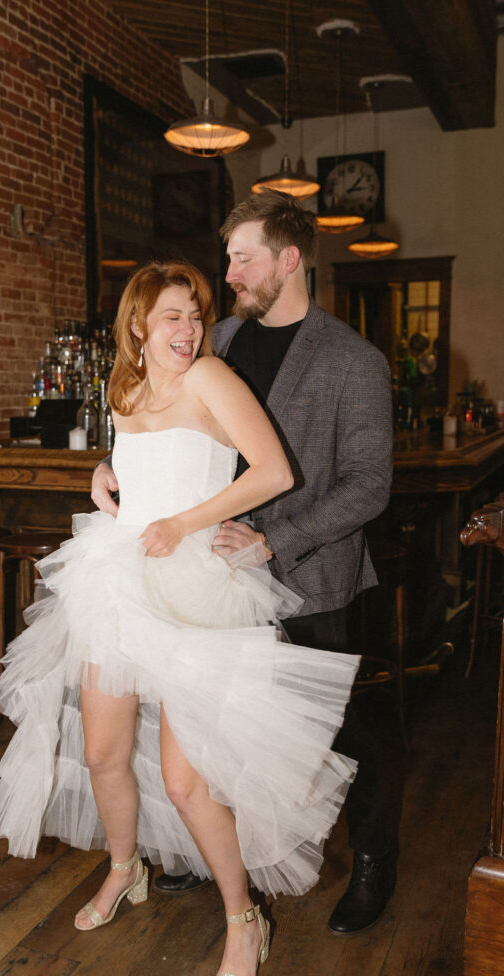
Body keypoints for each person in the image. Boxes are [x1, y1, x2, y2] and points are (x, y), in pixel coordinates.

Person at [0, 260, 360, 976]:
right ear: (138, 327)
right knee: (101, 751)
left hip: (195, 587)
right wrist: (101, 469)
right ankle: (126, 871)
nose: (188, 330)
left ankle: (243, 918)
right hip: (117, 577)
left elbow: (274, 470)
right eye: (173, 317)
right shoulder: (124, 388)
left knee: (186, 782)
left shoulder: (212, 378)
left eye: (195, 314)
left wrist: (185, 522)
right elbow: (144, 460)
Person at [91, 192, 395, 936]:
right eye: (227, 258)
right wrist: (107, 466)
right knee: (202, 726)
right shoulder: (218, 337)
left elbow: (369, 484)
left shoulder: (352, 360)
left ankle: (370, 861)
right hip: (205, 574)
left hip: (307, 573)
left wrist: (273, 541)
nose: (227, 274)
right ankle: (211, 855)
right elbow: (171, 427)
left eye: (242, 258)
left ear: (288, 261)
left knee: (333, 733)